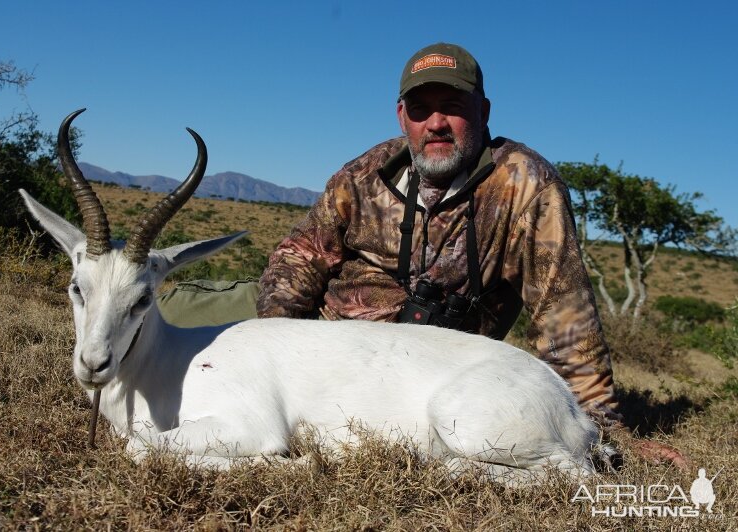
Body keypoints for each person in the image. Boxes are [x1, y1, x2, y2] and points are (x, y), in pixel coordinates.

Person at [255, 42, 686, 467]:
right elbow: (300, 256)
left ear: (483, 112)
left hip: (423, 376)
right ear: (402, 116)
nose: (436, 123)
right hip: (320, 349)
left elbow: (565, 315)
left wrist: (603, 430)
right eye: (420, 108)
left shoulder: (525, 185)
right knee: (199, 326)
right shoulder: (363, 175)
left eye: (453, 106)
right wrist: (272, 347)